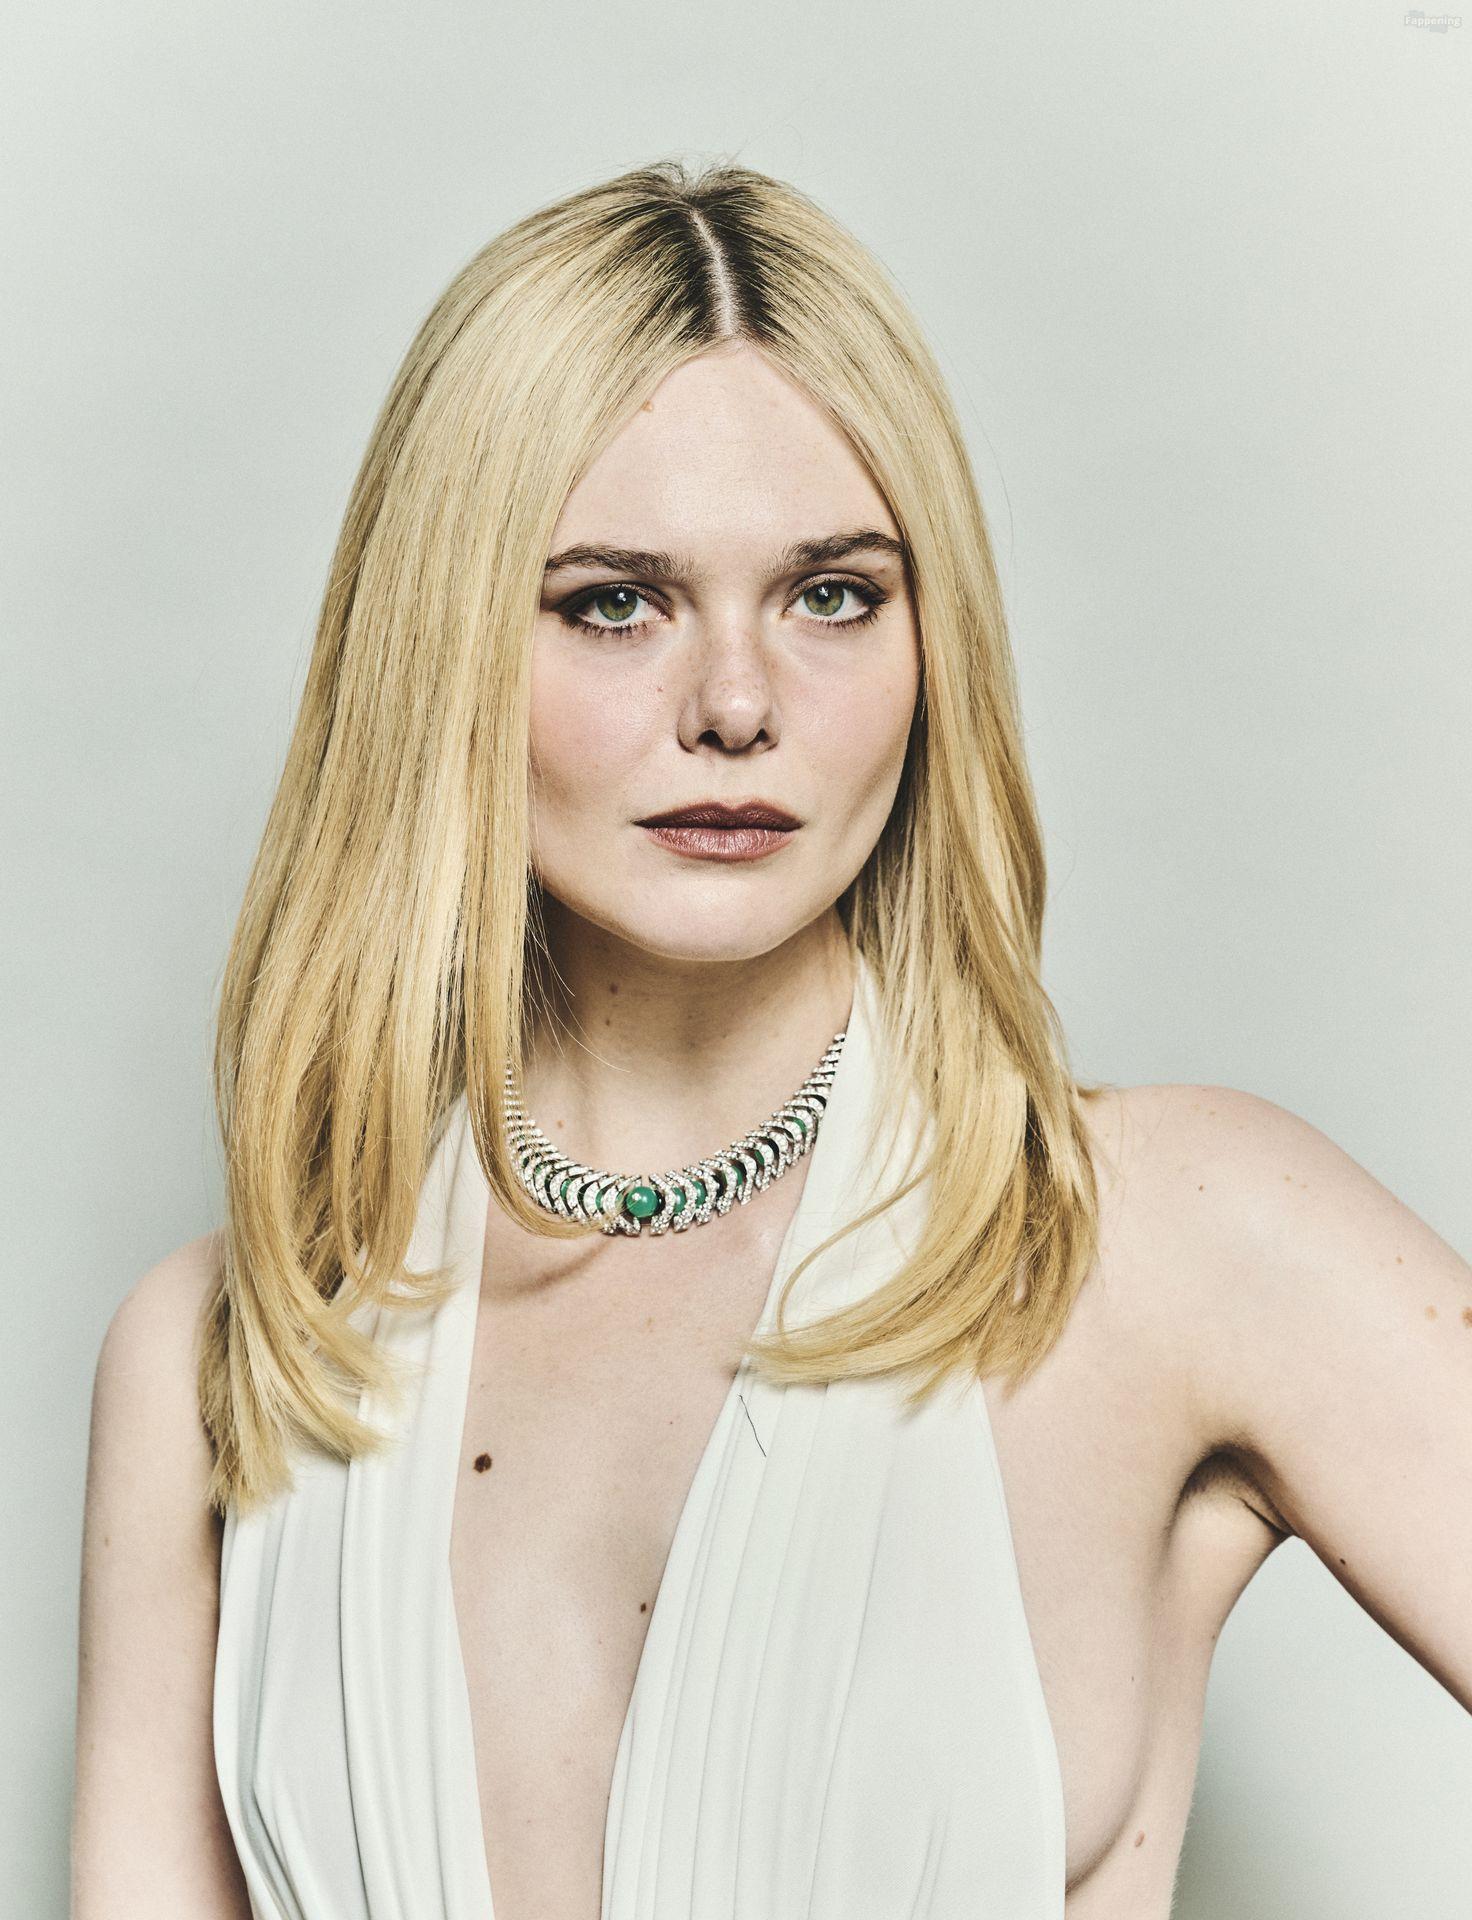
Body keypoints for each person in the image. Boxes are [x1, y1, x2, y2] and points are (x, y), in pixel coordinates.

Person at [71, 159, 1472, 1920]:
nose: (736, 705)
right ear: (442, 655)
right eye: (612, 601)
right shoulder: (229, 1354)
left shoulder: (1169, 1240)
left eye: (831, 596)